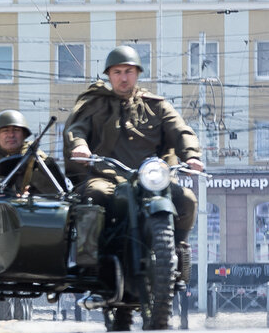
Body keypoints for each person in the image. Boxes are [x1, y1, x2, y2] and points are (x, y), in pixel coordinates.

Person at [63, 45, 204, 264]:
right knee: (94, 195)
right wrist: (80, 147)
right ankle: (88, 257)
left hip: (150, 179)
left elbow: (180, 129)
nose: (123, 78)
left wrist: (192, 155)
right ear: (109, 75)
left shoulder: (156, 106)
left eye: (128, 72)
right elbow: (76, 129)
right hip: (106, 176)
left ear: (137, 73)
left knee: (186, 199)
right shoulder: (95, 104)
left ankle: (176, 249)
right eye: (117, 72)